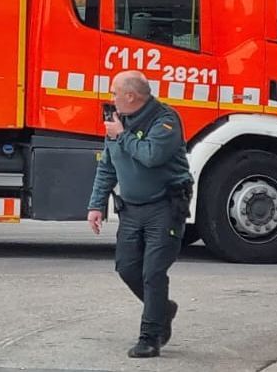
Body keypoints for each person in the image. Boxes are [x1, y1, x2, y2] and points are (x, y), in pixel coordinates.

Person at [87, 71, 194, 358]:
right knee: (127, 268)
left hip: (165, 206)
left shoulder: (165, 120)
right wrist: (96, 205)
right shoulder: (117, 122)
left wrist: (122, 135)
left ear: (131, 96)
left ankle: (150, 337)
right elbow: (107, 166)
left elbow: (151, 156)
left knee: (153, 272)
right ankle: (162, 309)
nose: (111, 98)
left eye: (114, 93)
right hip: (132, 209)